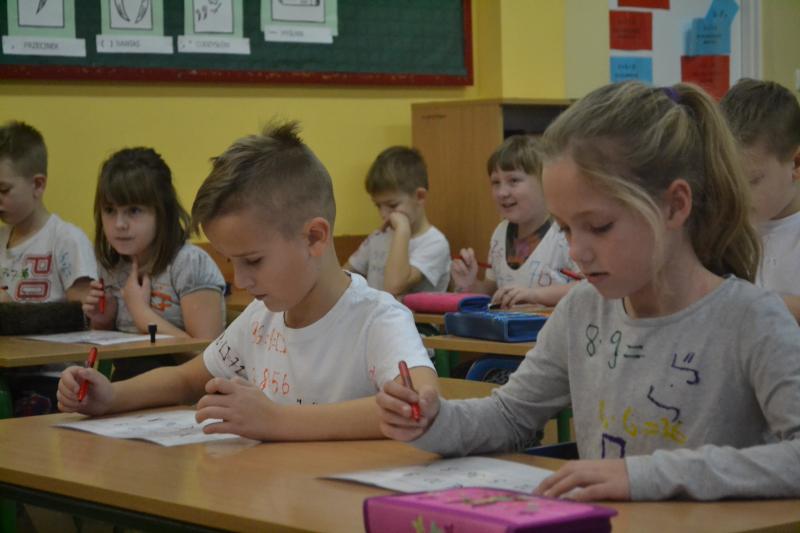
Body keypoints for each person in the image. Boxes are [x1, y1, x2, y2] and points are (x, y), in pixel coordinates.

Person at [376, 82, 800, 501]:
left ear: (674, 206)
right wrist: (434, 420)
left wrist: (645, 476)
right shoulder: (583, 309)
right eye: (564, 229)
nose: (577, 251)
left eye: (599, 227)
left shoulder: (752, 318)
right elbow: (509, 414)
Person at [58, 122, 437, 441]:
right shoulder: (260, 318)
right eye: (232, 262)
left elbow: (417, 403)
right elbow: (185, 379)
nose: (240, 280)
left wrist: (277, 421)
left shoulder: (378, 320)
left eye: (253, 260)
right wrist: (111, 396)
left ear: (314, 238)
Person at [82, 147, 226, 379]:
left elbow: (211, 361)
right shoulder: (111, 267)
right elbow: (116, 355)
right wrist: (102, 322)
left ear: (162, 212)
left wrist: (141, 313)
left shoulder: (190, 263)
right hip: (127, 386)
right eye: (109, 210)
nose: (119, 224)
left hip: (185, 393)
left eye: (134, 210)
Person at [0, 120, 97, 415]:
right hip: (6, 369)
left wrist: (11, 311)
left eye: (4, 190)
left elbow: (84, 316)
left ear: (38, 185)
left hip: (54, 376)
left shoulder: (66, 239)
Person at [451, 135, 578, 308]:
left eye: (514, 181)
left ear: (545, 181)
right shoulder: (500, 232)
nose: (502, 193)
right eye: (495, 182)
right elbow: (493, 290)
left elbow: (589, 288)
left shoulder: (565, 232)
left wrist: (534, 295)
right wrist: (470, 284)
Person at [720, 78, 800, 322]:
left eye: (751, 181)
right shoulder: (726, 229)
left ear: (796, 164)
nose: (737, 195)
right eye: (729, 180)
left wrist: (751, 305)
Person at [344, 146, 450, 297]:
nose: (383, 215)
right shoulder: (379, 237)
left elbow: (394, 286)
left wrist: (402, 230)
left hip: (409, 314)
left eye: (392, 205)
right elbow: (344, 275)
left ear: (420, 196)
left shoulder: (435, 243)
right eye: (378, 206)